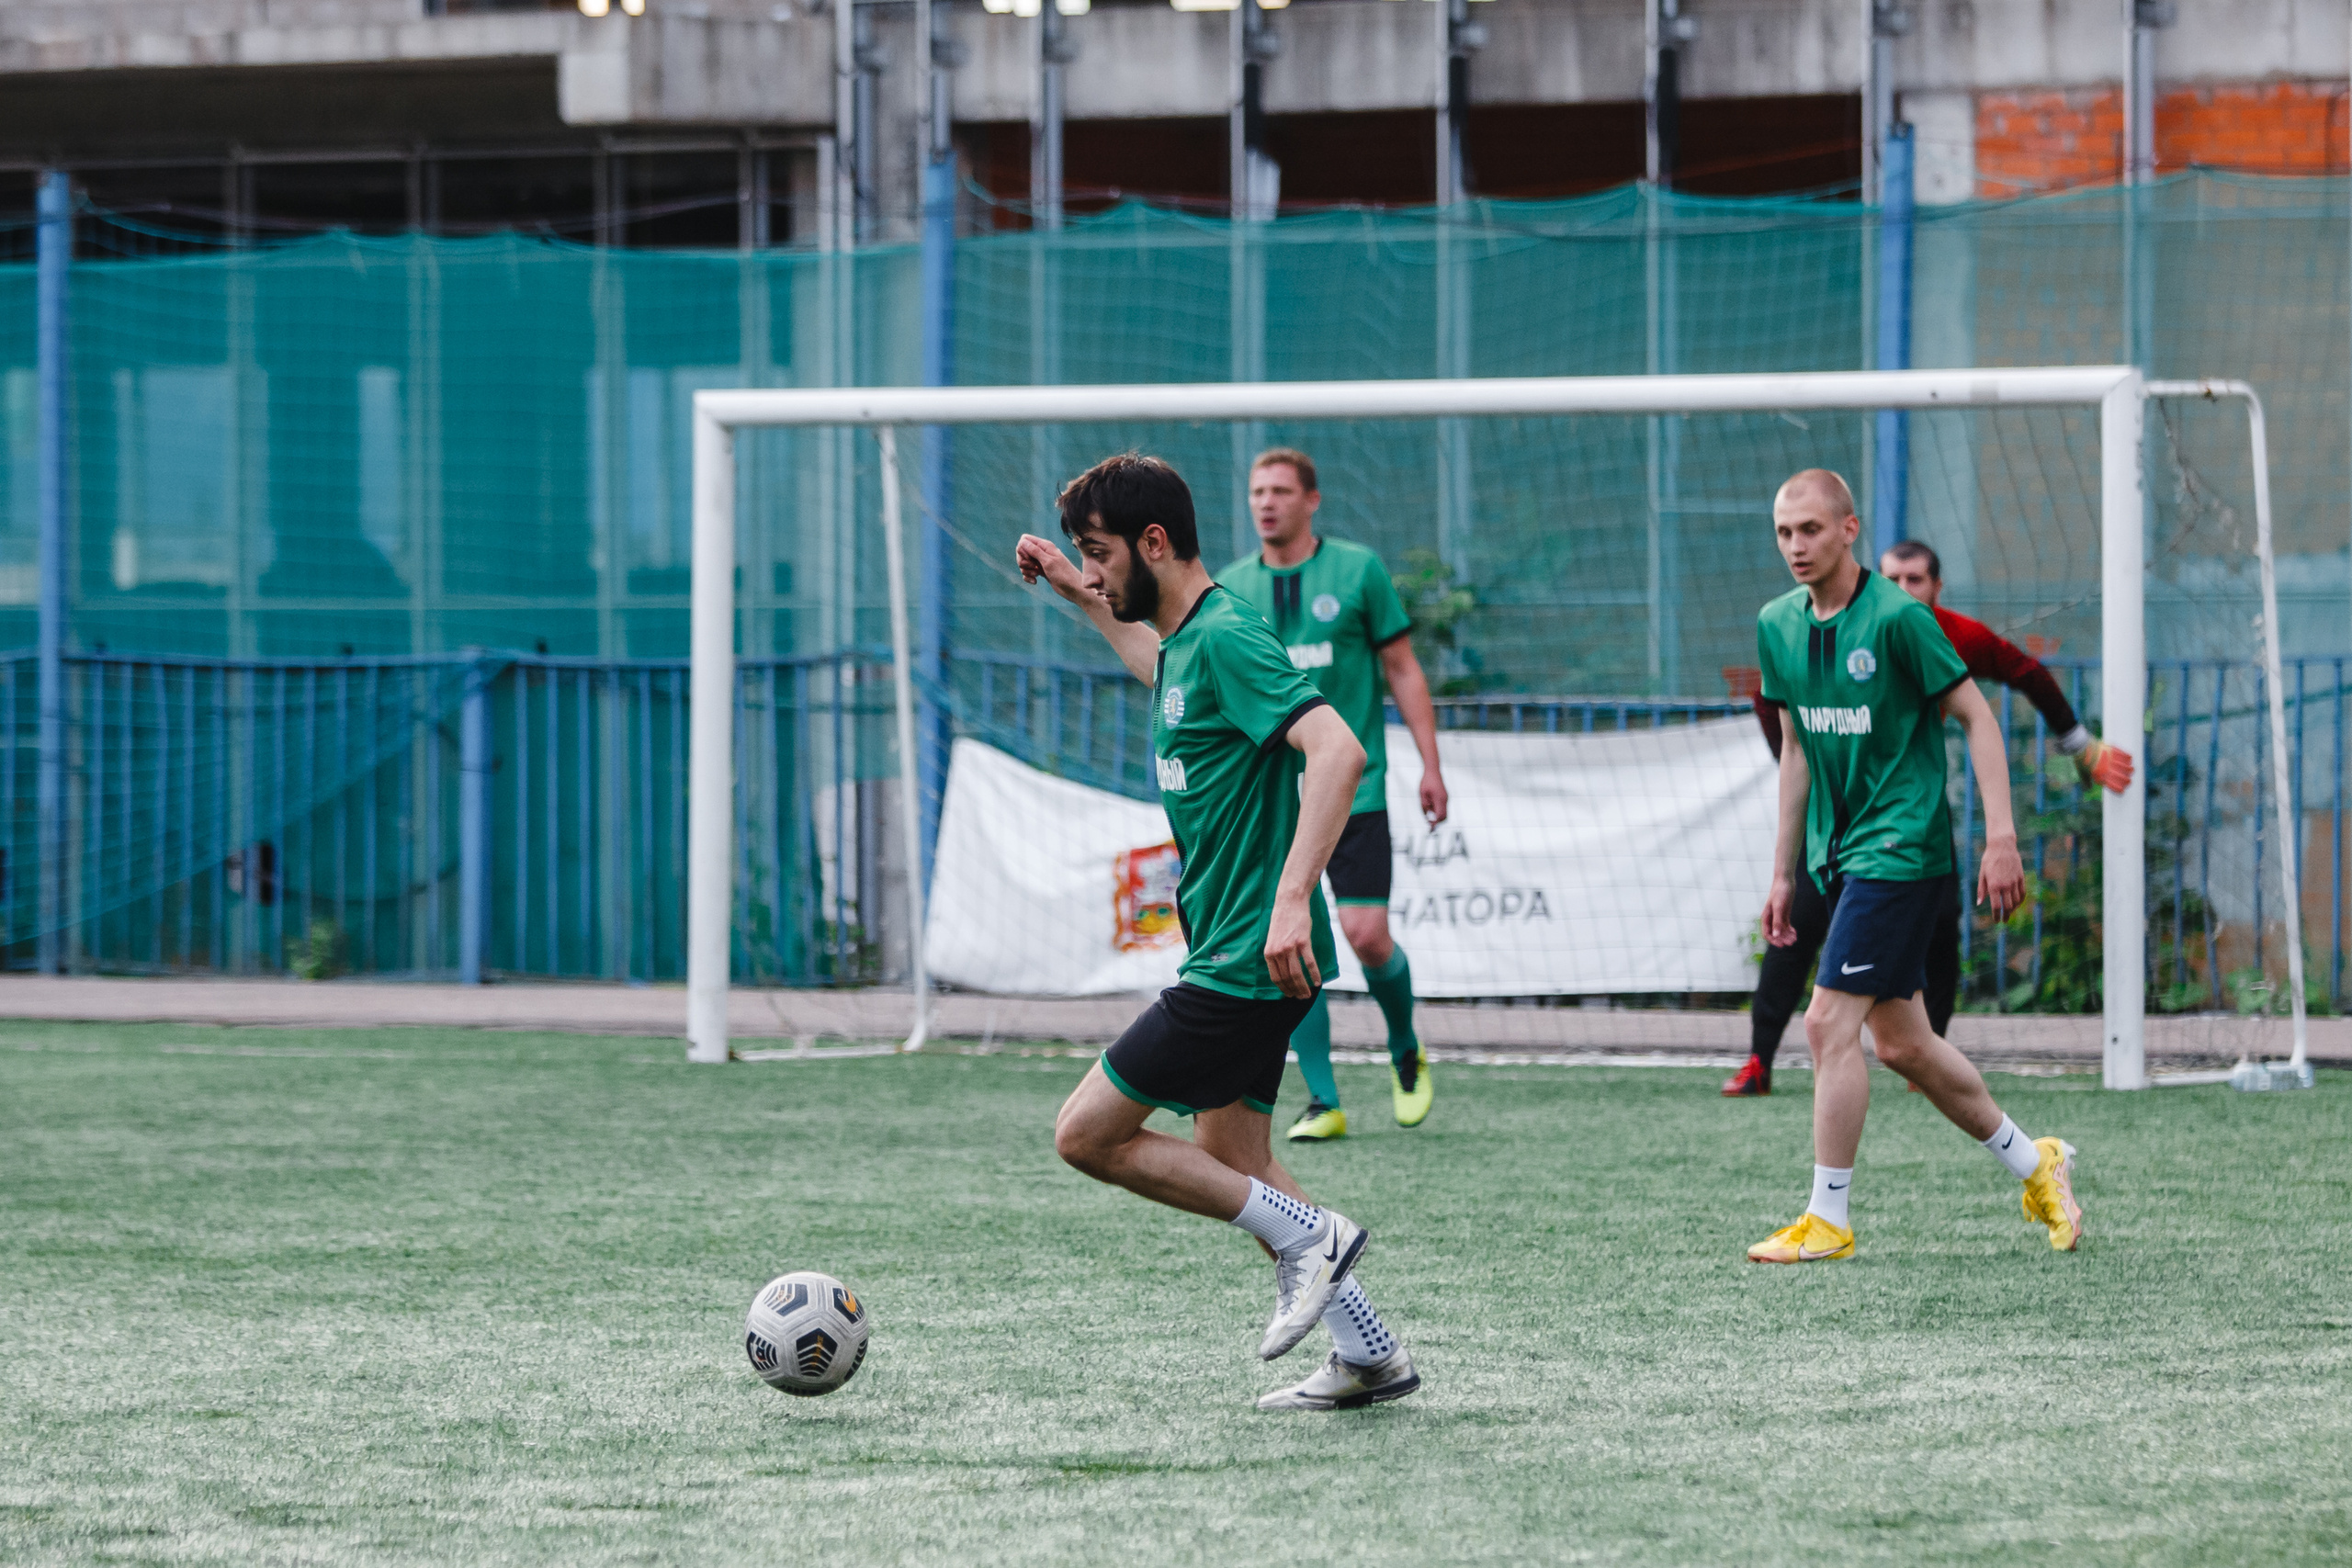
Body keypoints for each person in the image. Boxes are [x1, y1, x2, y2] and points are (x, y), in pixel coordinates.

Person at [1016, 452, 1422, 1410]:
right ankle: (1371, 1354)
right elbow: (1158, 666)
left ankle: (1312, 1240)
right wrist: (1081, 597)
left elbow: (1340, 750)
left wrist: (1290, 899)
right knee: (1243, 1167)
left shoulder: (1229, 637)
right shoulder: (1187, 644)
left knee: (1086, 1137)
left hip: (1243, 960)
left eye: (1103, 553)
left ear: (1156, 544)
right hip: (1236, 954)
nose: (1099, 570)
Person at [1747, 468, 2084, 1264]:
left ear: (1849, 529)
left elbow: (1978, 717)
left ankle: (1828, 1218)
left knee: (1828, 1021)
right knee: (1903, 1044)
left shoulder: (1900, 619)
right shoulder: (1776, 625)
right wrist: (1783, 872)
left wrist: (2001, 836)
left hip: (1901, 850)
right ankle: (2039, 1164)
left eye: (1812, 530)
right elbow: (1794, 752)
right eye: (1785, 533)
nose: (1796, 546)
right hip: (1841, 854)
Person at [1723, 537, 2137, 1096]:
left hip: (1905, 818)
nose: (1901, 591)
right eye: (1891, 578)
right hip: (1834, 816)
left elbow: (2023, 673)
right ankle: (1759, 1059)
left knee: (1939, 928)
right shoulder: (1806, 625)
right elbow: (1777, 710)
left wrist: (2079, 745)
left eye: (1914, 580)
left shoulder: (1951, 634)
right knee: (1797, 927)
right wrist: (1812, 770)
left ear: (1935, 588)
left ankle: (1930, 1056)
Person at [1219, 448, 1450, 1142]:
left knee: (1365, 933)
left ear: (1311, 500)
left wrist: (1431, 766)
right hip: (1271, 796)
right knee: (1290, 945)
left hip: (1358, 784)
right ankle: (1323, 1097)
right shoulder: (1229, 588)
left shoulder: (1358, 571)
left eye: (1282, 490)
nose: (1267, 502)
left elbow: (1404, 669)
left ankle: (1405, 1048)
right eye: (1257, 490)